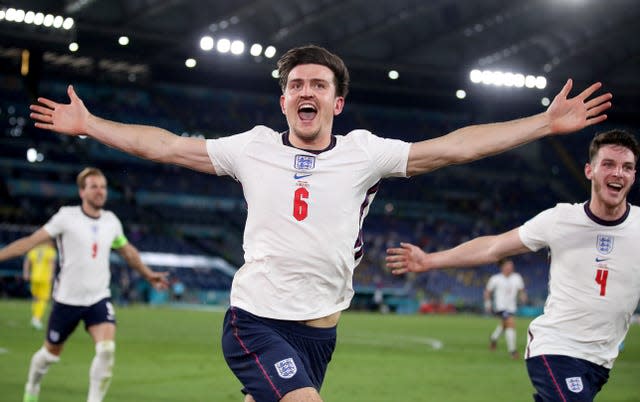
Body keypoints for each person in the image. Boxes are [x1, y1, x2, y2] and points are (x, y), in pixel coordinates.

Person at [28, 44, 612, 402]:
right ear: (283, 101)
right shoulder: (251, 148)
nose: (306, 91)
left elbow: (454, 147)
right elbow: (165, 147)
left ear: (337, 103)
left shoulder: (366, 153)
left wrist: (540, 125)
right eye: (296, 85)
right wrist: (92, 124)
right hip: (256, 320)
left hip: (321, 332)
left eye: (319, 85)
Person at [386, 129, 640, 401]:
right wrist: (430, 260)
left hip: (601, 360)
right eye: (609, 164)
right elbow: (494, 247)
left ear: (634, 176)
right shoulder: (559, 220)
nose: (618, 173)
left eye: (627, 167)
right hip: (557, 348)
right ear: (590, 171)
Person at [0, 167, 169, 402]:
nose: (100, 191)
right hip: (67, 299)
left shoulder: (111, 221)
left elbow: (127, 252)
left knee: (106, 349)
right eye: (94, 187)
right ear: (82, 192)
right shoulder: (66, 217)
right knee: (49, 355)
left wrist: (148, 274)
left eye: (103, 187)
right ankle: (32, 386)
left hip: (98, 298)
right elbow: (30, 242)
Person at [484, 257, 527, 359]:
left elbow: (521, 290)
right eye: (508, 265)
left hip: (512, 307)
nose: (510, 267)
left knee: (505, 325)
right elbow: (487, 292)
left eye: (511, 265)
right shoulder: (495, 278)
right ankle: (513, 351)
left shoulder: (517, 277)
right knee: (511, 323)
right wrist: (488, 304)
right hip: (500, 307)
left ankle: (493, 338)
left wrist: (523, 297)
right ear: (502, 267)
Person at [23, 238, 57, 330]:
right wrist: (51, 275)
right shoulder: (50, 251)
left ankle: (35, 316)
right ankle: (36, 318)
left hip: (34, 277)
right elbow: (51, 263)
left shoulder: (34, 249)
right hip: (45, 278)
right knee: (43, 298)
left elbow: (27, 261)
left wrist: (26, 273)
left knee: (36, 298)